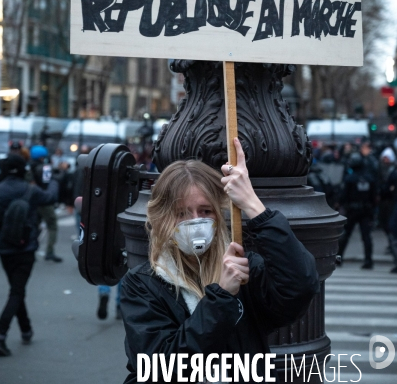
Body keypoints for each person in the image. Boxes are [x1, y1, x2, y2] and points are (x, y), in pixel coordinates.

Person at [120, 138, 319, 383]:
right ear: (162, 217)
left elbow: (301, 285)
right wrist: (221, 297)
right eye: (182, 213)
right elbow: (162, 368)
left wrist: (253, 205)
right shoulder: (143, 284)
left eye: (205, 211)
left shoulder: (243, 268)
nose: (195, 221)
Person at [0, 154, 58, 356]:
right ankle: (0, 333)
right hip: (25, 248)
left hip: (4, 248)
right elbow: (50, 197)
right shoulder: (29, 190)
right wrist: (53, 180)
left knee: (17, 289)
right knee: (17, 290)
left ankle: (26, 329)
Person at [338, 151, 377, 269]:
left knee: (345, 235)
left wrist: (341, 205)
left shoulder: (350, 178)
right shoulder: (369, 178)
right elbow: (374, 196)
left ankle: (339, 258)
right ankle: (368, 260)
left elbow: (343, 196)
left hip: (352, 210)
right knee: (366, 237)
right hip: (366, 210)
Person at [30, 145, 62, 262]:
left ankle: (31, 249)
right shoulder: (44, 168)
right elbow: (51, 181)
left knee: (34, 226)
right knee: (52, 225)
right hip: (44, 201)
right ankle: (49, 252)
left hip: (32, 202)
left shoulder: (29, 167)